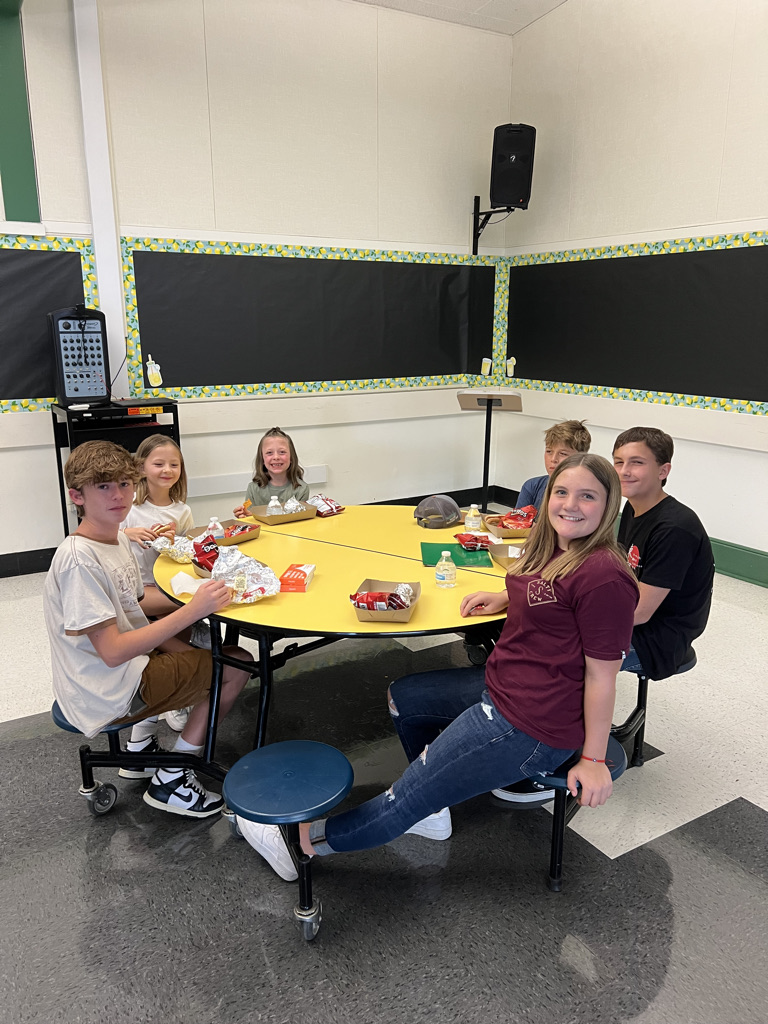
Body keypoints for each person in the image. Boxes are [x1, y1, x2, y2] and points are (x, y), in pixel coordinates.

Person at [237, 454, 638, 880]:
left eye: (587, 496)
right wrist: (506, 597)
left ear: (609, 504)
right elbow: (546, 595)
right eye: (561, 491)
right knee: (405, 697)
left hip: (529, 723)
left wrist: (593, 758)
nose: (570, 504)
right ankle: (434, 802)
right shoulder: (555, 545)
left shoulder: (603, 577)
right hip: (502, 688)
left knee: (400, 802)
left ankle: (302, 844)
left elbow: (601, 677)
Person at [43, 440, 253, 818]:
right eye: (103, 486)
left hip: (118, 672)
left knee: (208, 653)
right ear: (77, 495)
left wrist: (191, 630)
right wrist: (194, 609)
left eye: (124, 484)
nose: (118, 495)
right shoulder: (79, 560)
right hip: (104, 688)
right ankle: (173, 778)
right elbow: (113, 651)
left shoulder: (117, 537)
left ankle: (140, 752)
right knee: (237, 664)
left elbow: (135, 610)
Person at [612, 426, 714, 681]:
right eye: (619, 462)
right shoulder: (633, 506)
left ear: (663, 470)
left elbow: (640, 613)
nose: (624, 471)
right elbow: (623, 572)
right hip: (638, 619)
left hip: (658, 639)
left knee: (563, 653)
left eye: (637, 463)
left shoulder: (675, 528)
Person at [120, 435, 204, 732]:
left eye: (174, 464)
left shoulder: (181, 510)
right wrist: (128, 534)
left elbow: (184, 555)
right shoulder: (127, 507)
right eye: (158, 464)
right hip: (136, 591)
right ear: (141, 467)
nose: (167, 470)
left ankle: (183, 688)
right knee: (192, 605)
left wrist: (173, 542)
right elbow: (102, 541)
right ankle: (183, 686)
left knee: (192, 603)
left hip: (163, 584)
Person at [233, 426, 309, 517]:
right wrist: (244, 516)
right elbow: (251, 519)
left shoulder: (301, 489)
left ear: (291, 458)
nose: (276, 457)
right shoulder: (253, 489)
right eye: (269, 453)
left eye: (282, 452)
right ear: (262, 459)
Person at [517, 419, 591, 510]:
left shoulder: (589, 492)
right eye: (549, 451)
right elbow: (515, 522)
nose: (553, 459)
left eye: (563, 454)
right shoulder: (532, 486)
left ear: (581, 457)